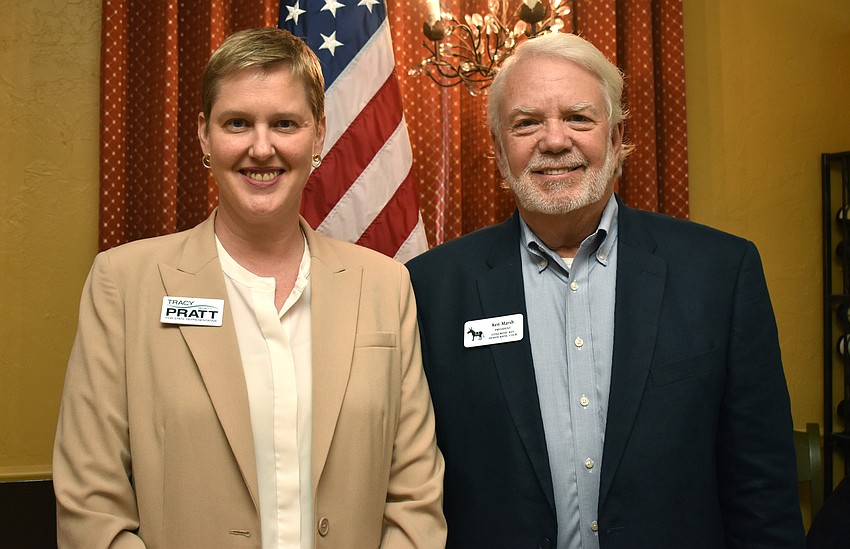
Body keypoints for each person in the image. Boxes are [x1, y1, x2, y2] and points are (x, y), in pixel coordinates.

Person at [406, 31, 804, 548]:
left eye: (578, 118)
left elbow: (762, 487)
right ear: (500, 151)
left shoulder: (721, 273)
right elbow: (412, 488)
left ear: (616, 139)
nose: (554, 140)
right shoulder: (430, 288)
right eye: (526, 123)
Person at [53, 28, 446, 548]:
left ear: (318, 136)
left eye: (285, 123)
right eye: (237, 123)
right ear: (203, 136)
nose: (262, 148)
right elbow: (90, 505)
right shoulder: (123, 285)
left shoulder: (385, 286)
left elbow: (415, 498)